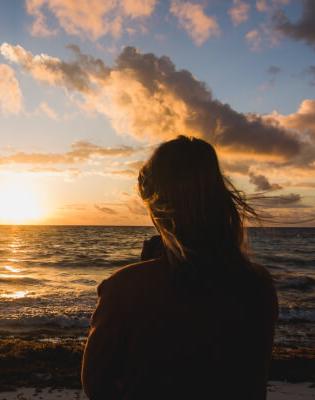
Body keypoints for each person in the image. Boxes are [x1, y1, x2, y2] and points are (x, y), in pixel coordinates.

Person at [81, 136, 278, 399]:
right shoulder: (258, 284)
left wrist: (132, 286)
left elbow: (97, 385)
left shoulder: (125, 288)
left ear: (156, 207)